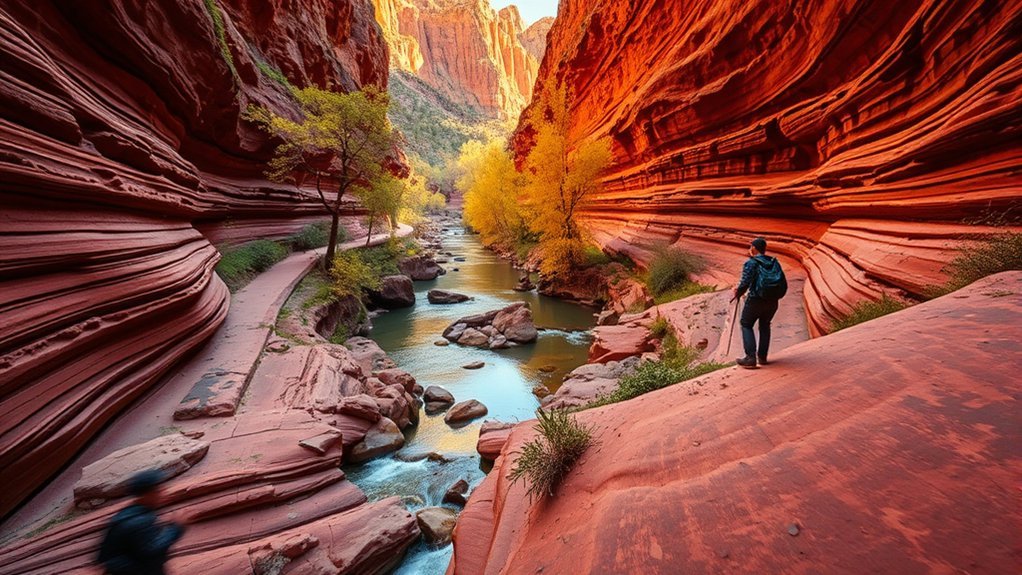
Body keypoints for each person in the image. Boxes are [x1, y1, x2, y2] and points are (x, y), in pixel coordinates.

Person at [97, 469, 185, 575]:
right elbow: (153, 550)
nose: (164, 492)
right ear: (147, 495)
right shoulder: (139, 521)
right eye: (159, 490)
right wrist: (175, 528)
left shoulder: (130, 513)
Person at [731, 237, 786, 368]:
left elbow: (745, 282)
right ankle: (762, 357)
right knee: (765, 325)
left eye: (751, 247)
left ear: (754, 248)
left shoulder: (751, 263)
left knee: (746, 323)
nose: (750, 249)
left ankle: (750, 358)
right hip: (772, 300)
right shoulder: (773, 262)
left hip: (756, 299)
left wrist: (737, 292)